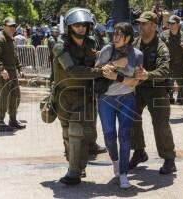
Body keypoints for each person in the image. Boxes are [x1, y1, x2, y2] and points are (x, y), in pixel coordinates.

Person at [52, 8, 105, 185]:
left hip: (85, 95)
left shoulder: (92, 43)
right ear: (69, 26)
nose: (81, 28)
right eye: (77, 25)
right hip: (64, 96)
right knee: (68, 134)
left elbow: (100, 60)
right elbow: (73, 71)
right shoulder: (60, 45)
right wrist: (99, 72)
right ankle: (76, 165)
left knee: (76, 131)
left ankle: (74, 171)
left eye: (84, 24)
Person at [129, 11, 177, 174]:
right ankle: (139, 152)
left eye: (144, 23)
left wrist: (148, 74)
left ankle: (169, 159)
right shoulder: (135, 43)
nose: (140, 26)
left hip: (157, 89)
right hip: (138, 88)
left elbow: (164, 70)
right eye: (139, 23)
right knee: (131, 117)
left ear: (153, 26)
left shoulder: (161, 47)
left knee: (160, 124)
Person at [96, 22, 143, 189]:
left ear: (128, 37)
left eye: (119, 34)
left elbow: (135, 81)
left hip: (127, 98)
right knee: (109, 137)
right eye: (114, 33)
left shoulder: (137, 54)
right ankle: (115, 160)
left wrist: (116, 76)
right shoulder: (107, 50)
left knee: (125, 136)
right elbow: (96, 70)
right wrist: (116, 64)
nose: (114, 37)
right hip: (106, 99)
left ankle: (123, 173)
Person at [160, 15, 183, 119]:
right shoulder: (164, 35)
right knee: (162, 86)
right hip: (166, 64)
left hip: (179, 65)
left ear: (178, 24)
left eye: (173, 23)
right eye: (170, 23)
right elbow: (157, 46)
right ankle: (161, 111)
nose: (171, 25)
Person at [0, 17, 26, 132]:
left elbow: (15, 57)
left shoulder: (11, 39)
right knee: (4, 97)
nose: (12, 28)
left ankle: (13, 119)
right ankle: (0, 122)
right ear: (4, 26)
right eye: (10, 26)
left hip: (13, 72)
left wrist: (20, 68)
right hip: (4, 73)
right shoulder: (0, 38)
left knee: (16, 96)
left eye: (14, 26)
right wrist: (1, 69)